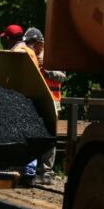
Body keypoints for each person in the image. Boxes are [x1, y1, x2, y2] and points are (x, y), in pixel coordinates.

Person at [24, 27, 65, 185]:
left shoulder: (52, 56)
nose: (29, 45)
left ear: (40, 42)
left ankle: (47, 172)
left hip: (52, 101)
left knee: (49, 137)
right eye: (28, 42)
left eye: (32, 42)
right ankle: (30, 171)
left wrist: (48, 72)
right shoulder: (30, 55)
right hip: (36, 100)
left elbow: (62, 76)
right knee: (33, 134)